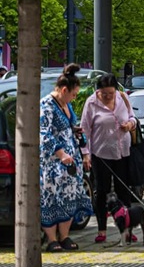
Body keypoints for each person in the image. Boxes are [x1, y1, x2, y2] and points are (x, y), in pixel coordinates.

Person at [80, 73, 138, 243]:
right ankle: (102, 230)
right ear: (98, 91)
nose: (107, 97)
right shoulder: (91, 103)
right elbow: (84, 130)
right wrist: (86, 154)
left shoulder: (123, 98)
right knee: (102, 191)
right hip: (101, 153)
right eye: (104, 94)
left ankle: (127, 229)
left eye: (110, 94)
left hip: (123, 151)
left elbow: (133, 118)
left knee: (124, 191)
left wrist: (129, 125)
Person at [39, 66, 93, 251]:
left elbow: (70, 125)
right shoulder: (46, 105)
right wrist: (60, 154)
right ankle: (52, 238)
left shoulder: (66, 105)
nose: (75, 98)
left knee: (69, 195)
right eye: (74, 94)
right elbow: (44, 133)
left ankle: (65, 236)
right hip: (53, 161)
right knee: (52, 197)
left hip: (71, 160)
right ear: (64, 90)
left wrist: (76, 133)